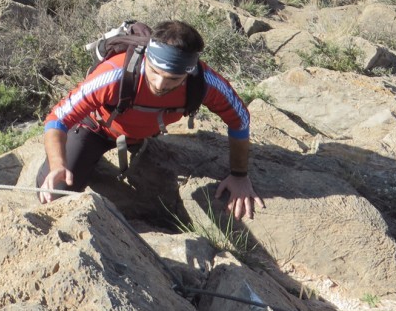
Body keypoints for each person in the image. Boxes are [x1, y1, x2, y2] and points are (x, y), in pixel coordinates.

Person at [37, 20, 264, 220]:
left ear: (189, 72)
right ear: (146, 58)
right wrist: (58, 164)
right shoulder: (114, 74)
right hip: (95, 128)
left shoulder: (204, 83)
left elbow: (240, 120)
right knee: (54, 193)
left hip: (144, 134)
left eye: (173, 78)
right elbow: (57, 119)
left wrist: (239, 176)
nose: (159, 84)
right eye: (153, 72)